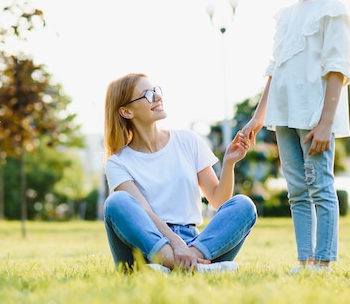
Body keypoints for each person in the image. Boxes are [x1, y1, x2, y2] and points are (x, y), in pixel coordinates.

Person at [241, 0, 350, 273]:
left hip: (313, 116)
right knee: (296, 192)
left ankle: (324, 261)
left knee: (320, 186)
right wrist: (260, 116)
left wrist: (325, 123)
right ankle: (304, 260)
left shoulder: (333, 9)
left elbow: (337, 69)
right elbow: (276, 68)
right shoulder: (287, 15)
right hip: (284, 115)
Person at [102, 73, 257, 274]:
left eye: (156, 90)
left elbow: (219, 201)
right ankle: (190, 267)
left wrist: (229, 163)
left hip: (195, 243)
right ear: (126, 111)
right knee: (116, 202)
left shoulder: (188, 141)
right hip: (146, 245)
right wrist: (174, 244)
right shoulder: (117, 162)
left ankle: (176, 267)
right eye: (147, 95)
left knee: (243, 205)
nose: (158, 97)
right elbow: (145, 211)